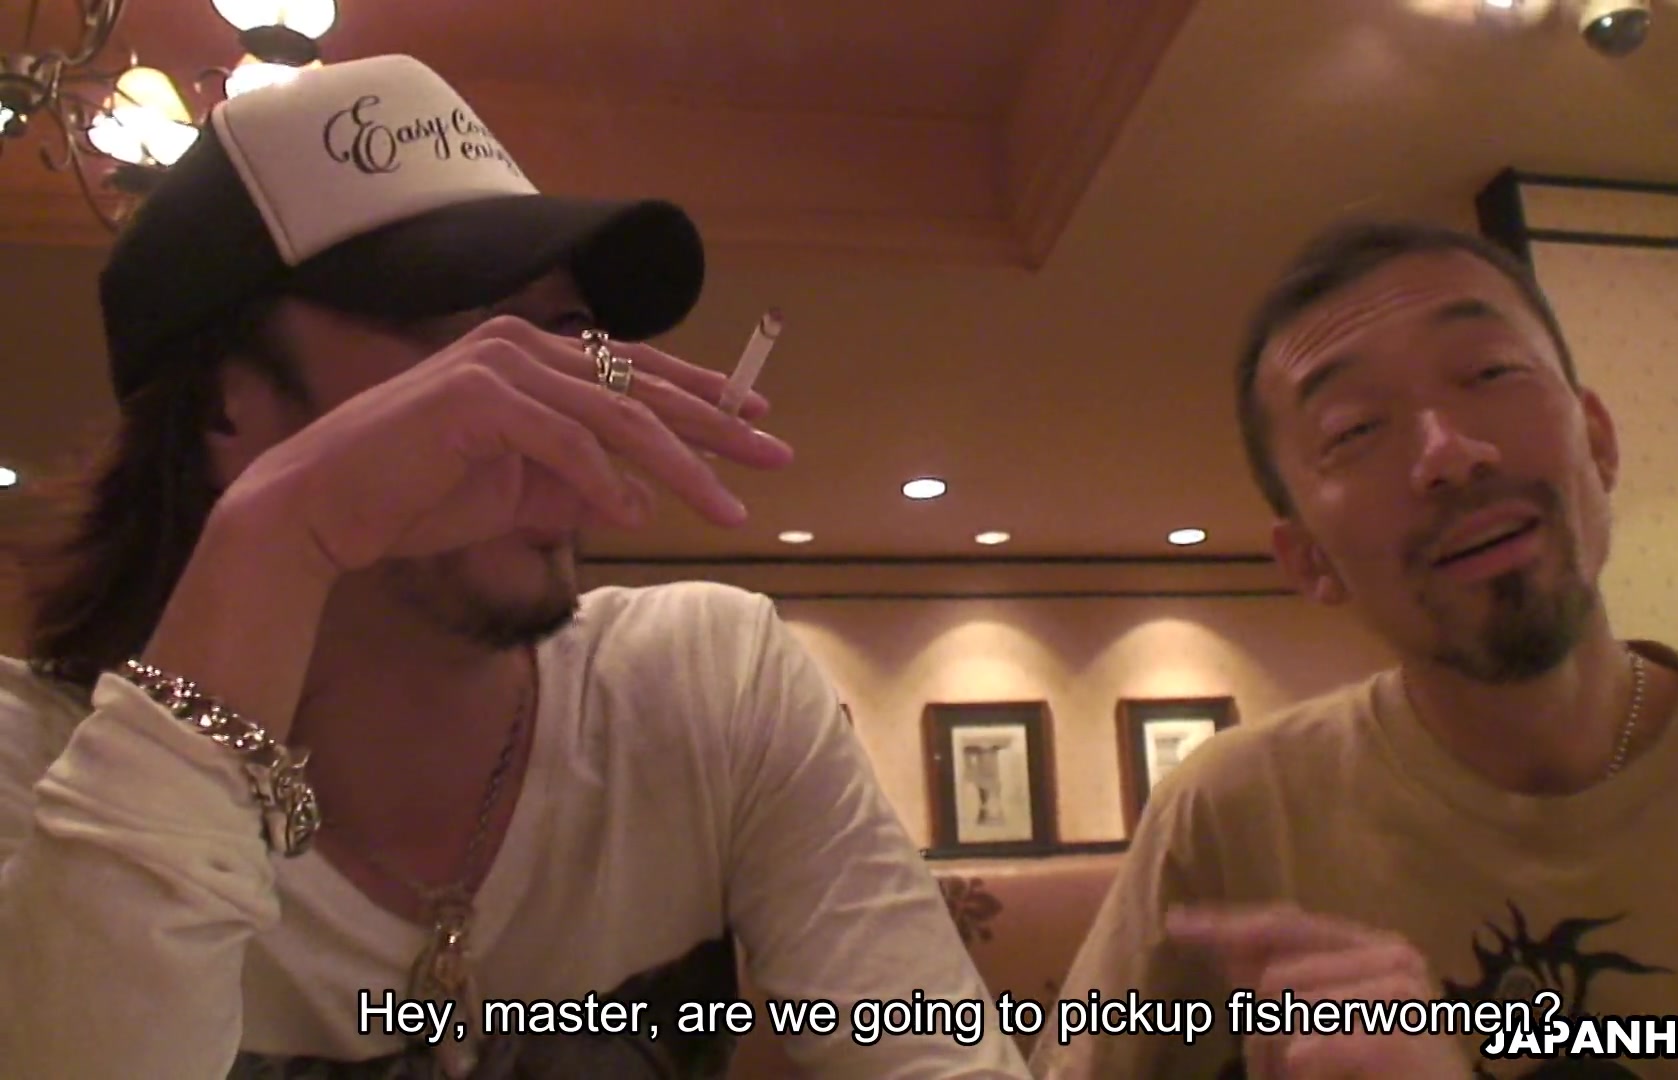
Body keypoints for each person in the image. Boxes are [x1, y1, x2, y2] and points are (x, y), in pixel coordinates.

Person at [0, 54, 1029, 1079]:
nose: (539, 407)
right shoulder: (37, 771)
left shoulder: (707, 683)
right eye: (458, 348)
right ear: (228, 409)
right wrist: (276, 541)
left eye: (567, 336)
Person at [1029, 220, 1678, 1078]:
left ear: (1599, 442)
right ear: (1309, 562)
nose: (1449, 453)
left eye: (1491, 371)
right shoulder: (1230, 815)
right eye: (1355, 430)